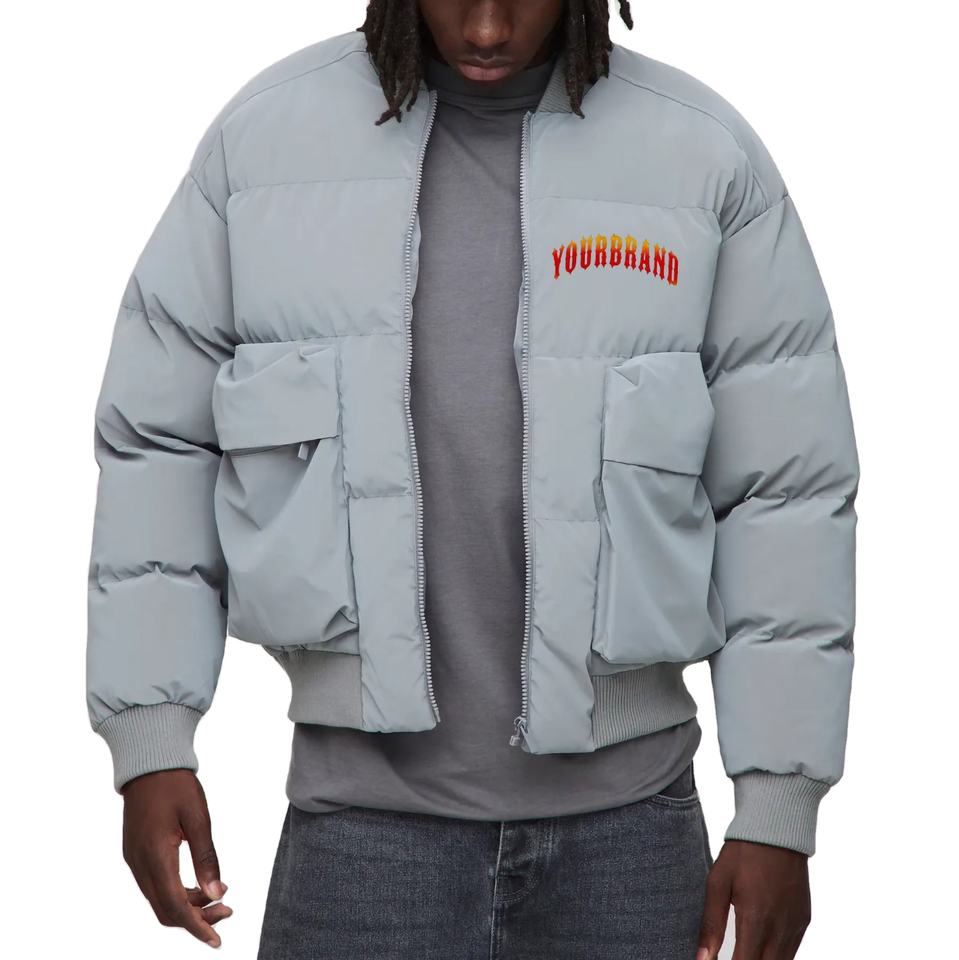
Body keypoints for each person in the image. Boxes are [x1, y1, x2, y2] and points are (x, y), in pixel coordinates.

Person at [86, 2, 859, 958]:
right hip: (361, 832)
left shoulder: (701, 157)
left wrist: (777, 806)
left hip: (629, 837)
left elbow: (786, 493)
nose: (487, 29)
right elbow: (160, 442)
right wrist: (151, 739)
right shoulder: (263, 148)